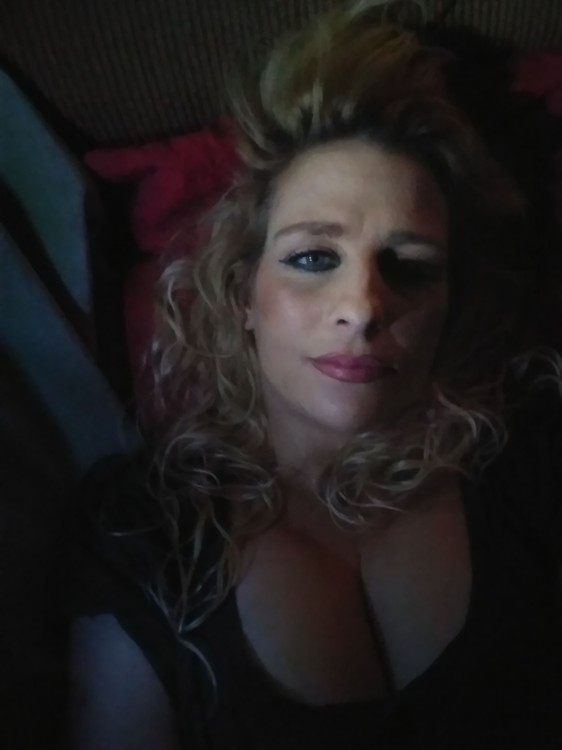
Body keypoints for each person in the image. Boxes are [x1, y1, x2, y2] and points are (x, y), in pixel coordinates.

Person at [67, 2, 562, 748]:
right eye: (312, 257)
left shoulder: (532, 461)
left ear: (451, 305)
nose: (362, 307)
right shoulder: (144, 527)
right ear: (242, 293)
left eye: (410, 266)